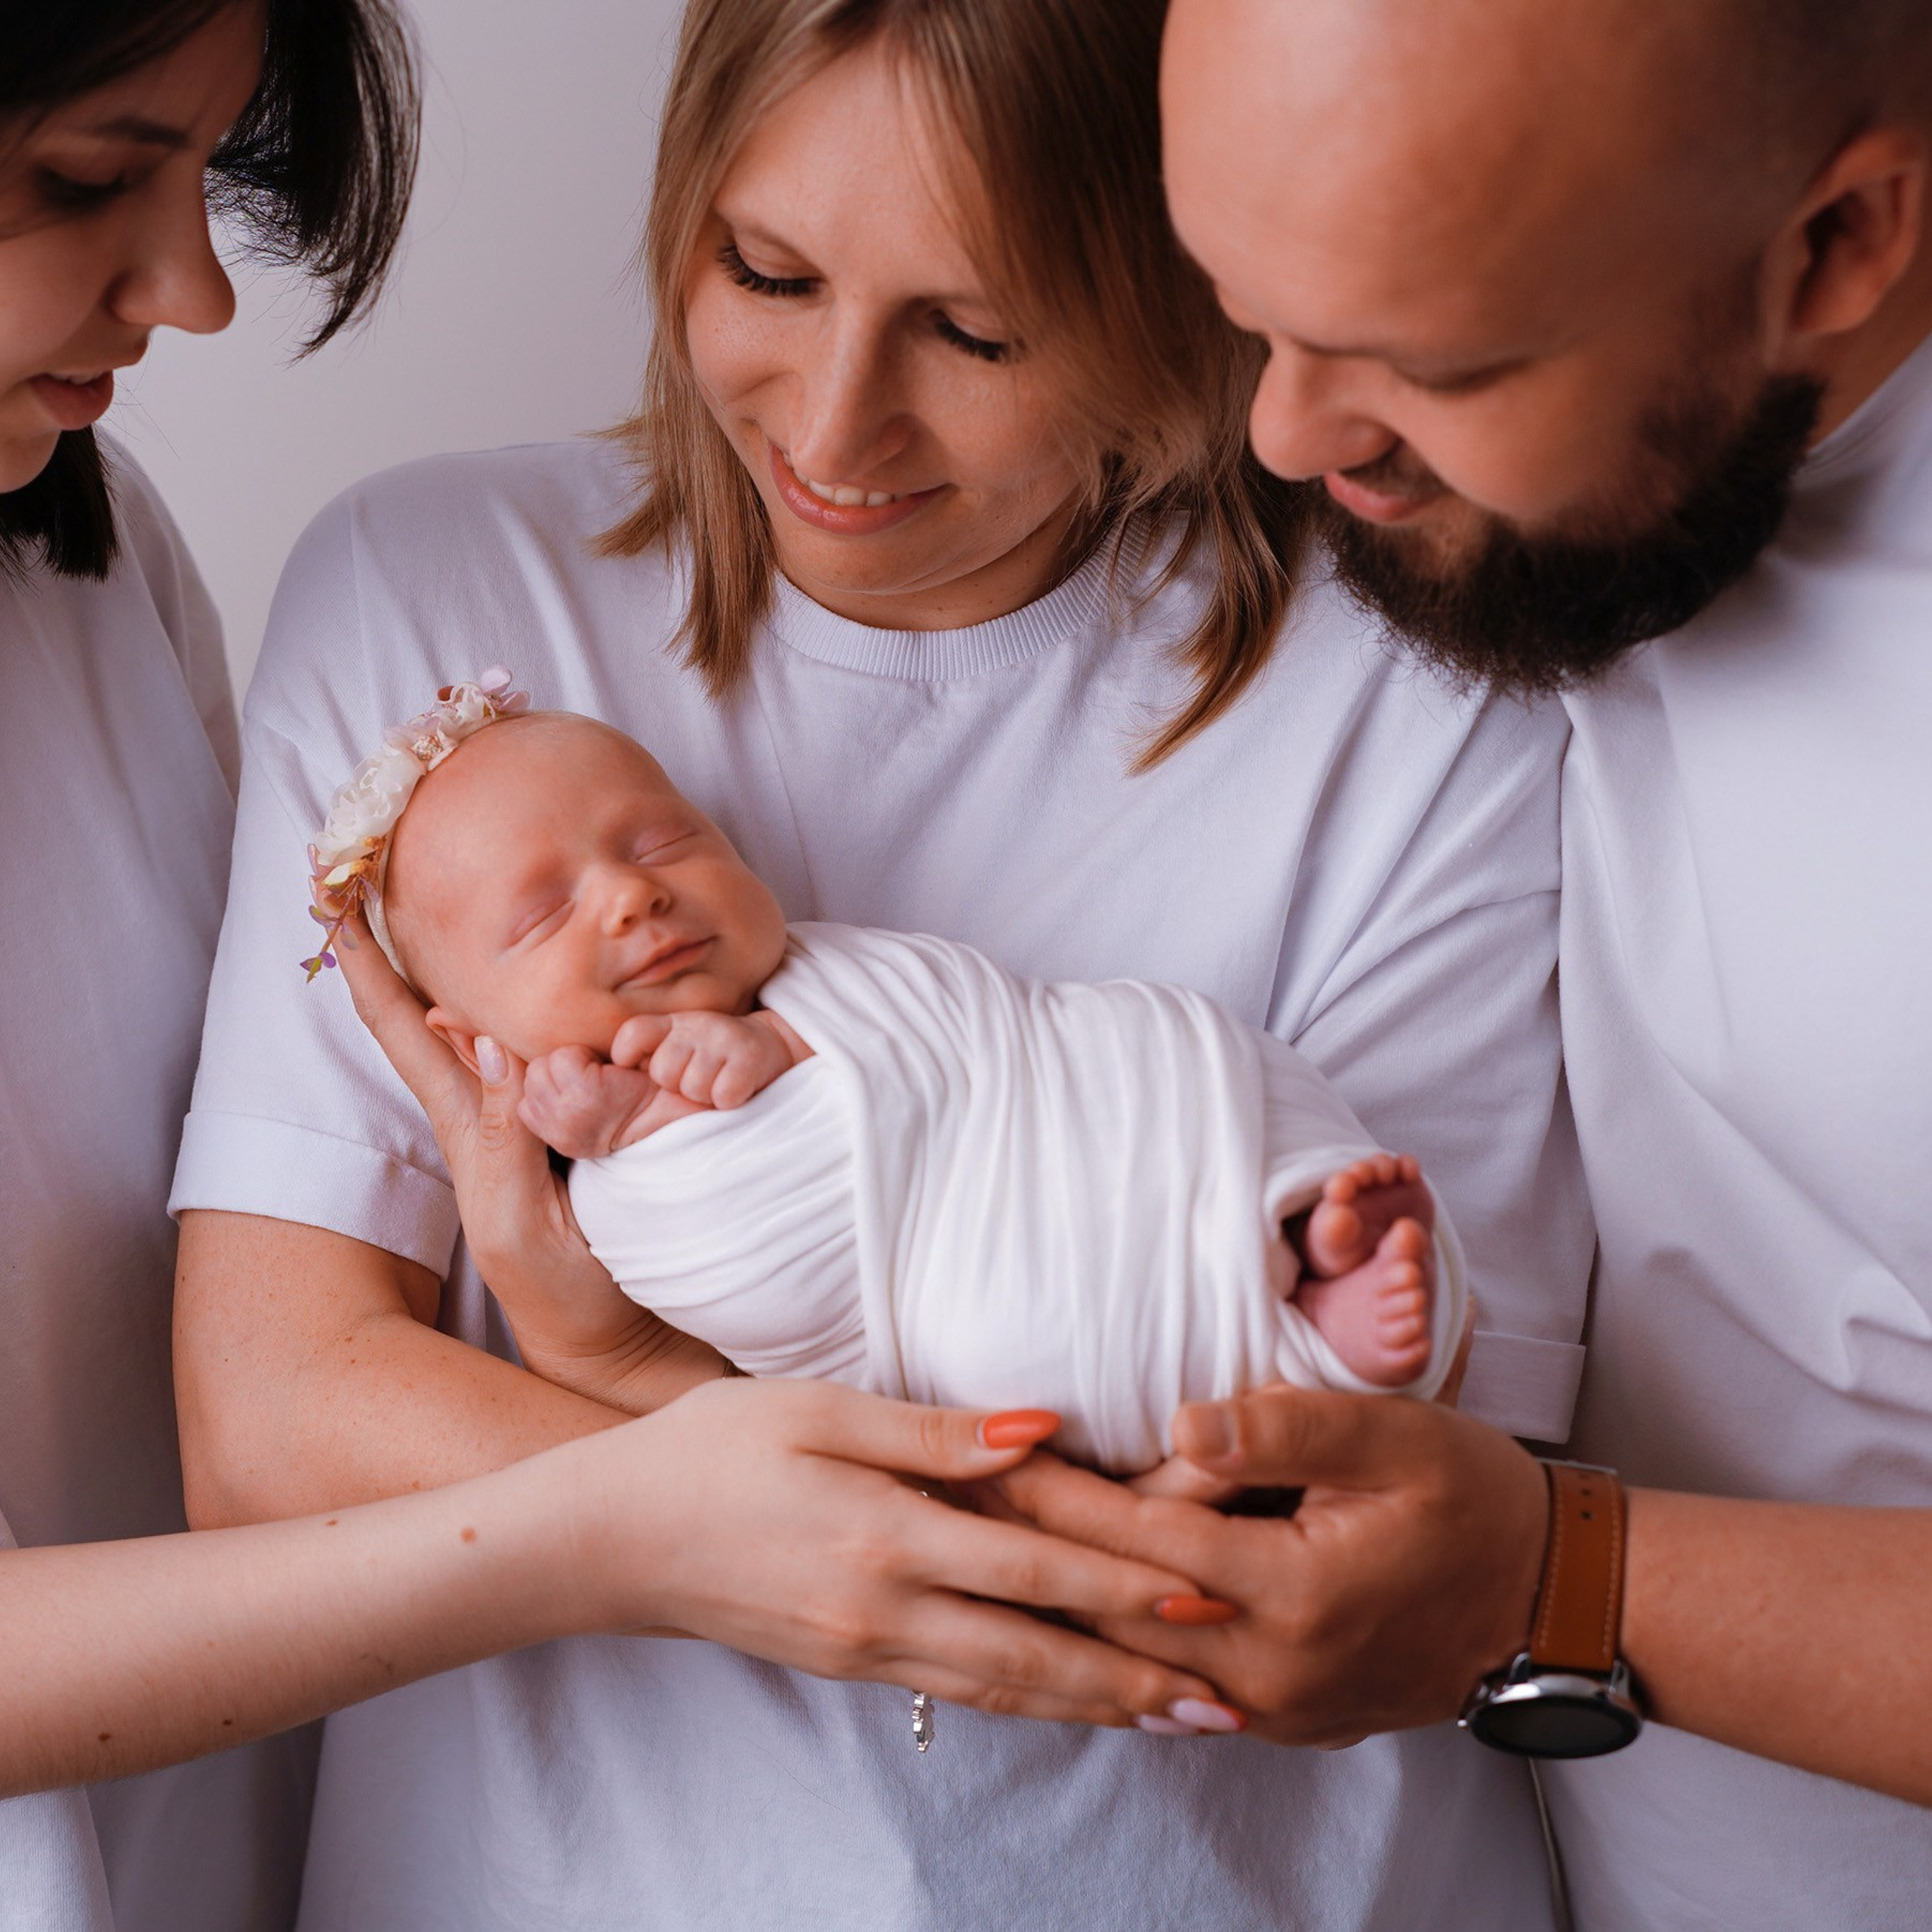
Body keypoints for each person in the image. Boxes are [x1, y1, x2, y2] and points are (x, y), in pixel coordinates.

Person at [171, 0, 1592, 1924]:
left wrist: (624, 1399)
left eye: (977, 329)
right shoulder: (437, 600)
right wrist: (764, 1472)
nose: (833, 429)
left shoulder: (1422, 692)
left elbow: (1392, 1513)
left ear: (1193, 293)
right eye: (766, 270)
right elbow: (272, 1430)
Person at [0, 8, 1235, 1931]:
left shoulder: (82, 559)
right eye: (81, 178)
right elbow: (273, 1393)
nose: (196, 295)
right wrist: (660, 1487)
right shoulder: (421, 582)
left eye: (199, 170)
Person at [989, 2, 1932, 1927]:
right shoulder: (1580, 448)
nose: (1284, 432)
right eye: (1244, 302)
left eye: (1430, 359)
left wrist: (1552, 1581)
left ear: (1832, 248)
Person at [315, 688, 1460, 1447]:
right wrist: (636, 1130)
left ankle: (1306, 1225)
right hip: (967, 1271)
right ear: (476, 1049)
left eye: (666, 841)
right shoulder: (620, 1194)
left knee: (1185, 1048)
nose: (632, 893)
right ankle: (1316, 1334)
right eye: (544, 913)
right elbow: (772, 1291)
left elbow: (960, 1032)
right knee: (1008, 1341)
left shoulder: (836, 971)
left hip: (1069, 1097)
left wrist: (778, 1043)